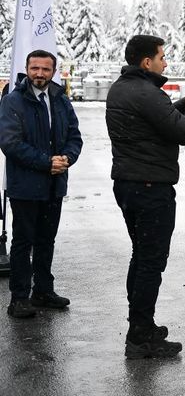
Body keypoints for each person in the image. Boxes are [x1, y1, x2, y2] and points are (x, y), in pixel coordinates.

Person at [106, 35, 185, 359]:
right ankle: (139, 338)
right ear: (146, 62)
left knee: (141, 257)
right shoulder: (147, 92)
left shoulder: (122, 88)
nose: (166, 63)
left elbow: (160, 122)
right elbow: (184, 131)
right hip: (150, 188)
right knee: (151, 262)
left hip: (129, 183)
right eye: (162, 57)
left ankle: (142, 324)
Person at [0, 50, 82, 320]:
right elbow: (11, 144)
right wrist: (47, 162)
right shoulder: (13, 101)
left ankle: (44, 291)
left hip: (54, 185)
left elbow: (74, 135)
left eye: (45, 69)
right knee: (23, 242)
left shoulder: (60, 99)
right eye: (35, 68)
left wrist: (67, 158)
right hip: (25, 186)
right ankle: (20, 298)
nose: (39, 73)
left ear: (53, 71)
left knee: (47, 240)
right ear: (27, 69)